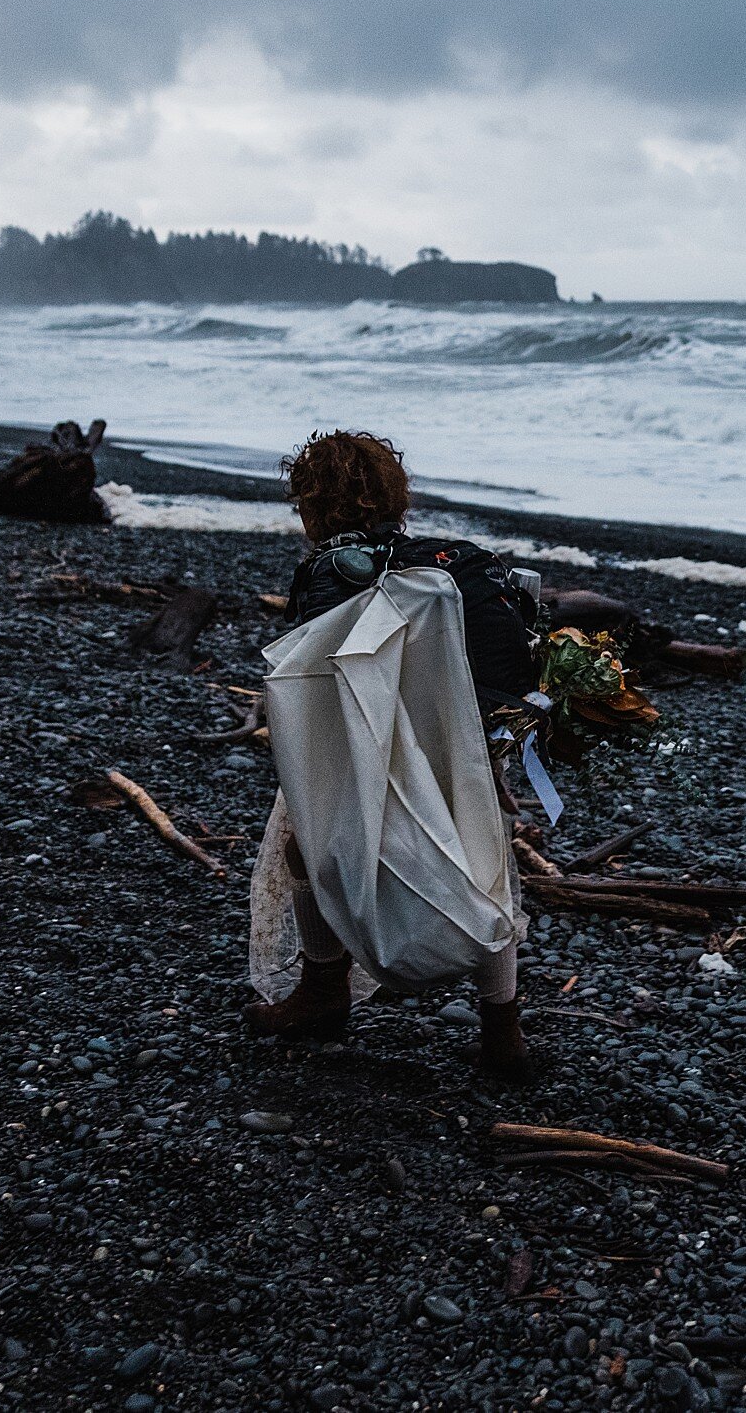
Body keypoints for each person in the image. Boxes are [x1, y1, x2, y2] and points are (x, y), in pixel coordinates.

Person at [243, 429, 539, 1081]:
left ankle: (323, 989)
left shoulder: (326, 574)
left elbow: (319, 694)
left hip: (366, 750)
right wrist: (494, 761)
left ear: (313, 507)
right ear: (395, 497)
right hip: (465, 750)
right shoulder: (464, 562)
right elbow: (508, 675)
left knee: (306, 848)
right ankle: (503, 1030)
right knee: (481, 869)